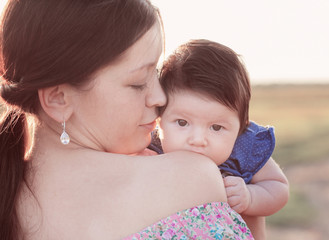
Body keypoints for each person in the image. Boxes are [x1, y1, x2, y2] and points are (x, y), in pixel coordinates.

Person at [0, 0, 255, 239]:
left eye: (156, 72)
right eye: (137, 83)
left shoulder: (9, 196)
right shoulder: (189, 179)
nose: (160, 97)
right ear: (59, 99)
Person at [148, 39, 289, 239]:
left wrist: (250, 197)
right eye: (182, 123)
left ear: (241, 127)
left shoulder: (244, 147)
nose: (198, 140)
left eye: (216, 127)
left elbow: (278, 187)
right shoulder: (150, 149)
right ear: (159, 118)